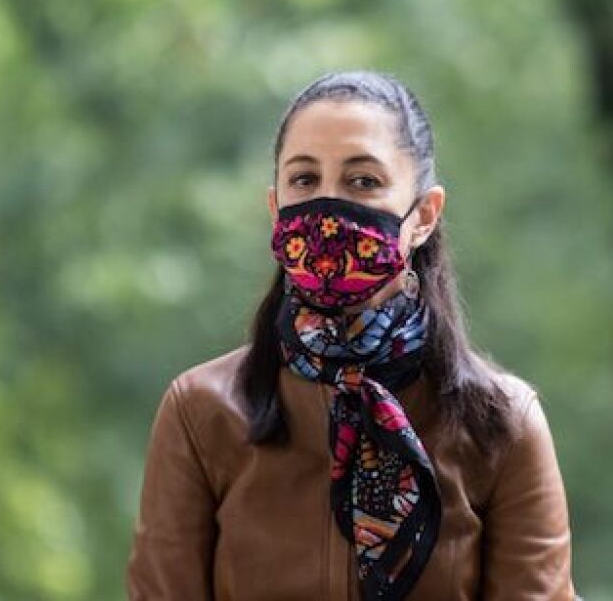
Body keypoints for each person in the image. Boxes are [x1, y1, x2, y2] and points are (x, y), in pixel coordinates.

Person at [126, 70, 577, 600]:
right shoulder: (202, 412)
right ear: (276, 209)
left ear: (424, 216)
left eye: (363, 181)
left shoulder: (501, 424)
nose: (327, 207)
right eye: (304, 180)